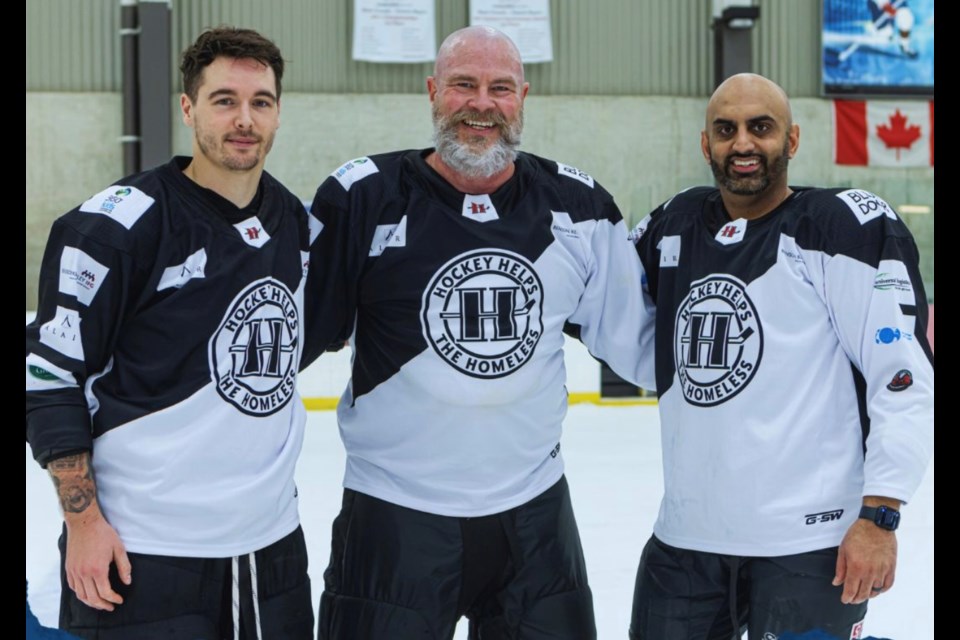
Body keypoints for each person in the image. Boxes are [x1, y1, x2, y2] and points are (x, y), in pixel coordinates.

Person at [305, 25, 655, 640]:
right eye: (464, 85)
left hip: (534, 520)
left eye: (499, 88)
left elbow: (648, 348)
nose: (481, 104)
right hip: (393, 516)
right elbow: (287, 342)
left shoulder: (578, 208)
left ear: (523, 97)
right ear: (433, 91)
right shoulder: (360, 198)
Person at [25, 27, 317, 639]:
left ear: (278, 112)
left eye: (260, 101)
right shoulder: (114, 226)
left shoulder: (291, 219)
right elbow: (48, 375)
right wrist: (83, 524)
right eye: (223, 100)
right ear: (188, 107)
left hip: (269, 550)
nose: (244, 119)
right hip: (143, 551)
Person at [629, 73, 934, 639]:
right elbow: (615, 319)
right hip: (687, 541)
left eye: (760, 128)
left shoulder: (842, 229)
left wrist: (880, 516)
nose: (743, 143)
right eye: (726, 130)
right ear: (706, 145)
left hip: (810, 545)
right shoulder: (673, 225)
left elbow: (903, 377)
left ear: (791, 141)